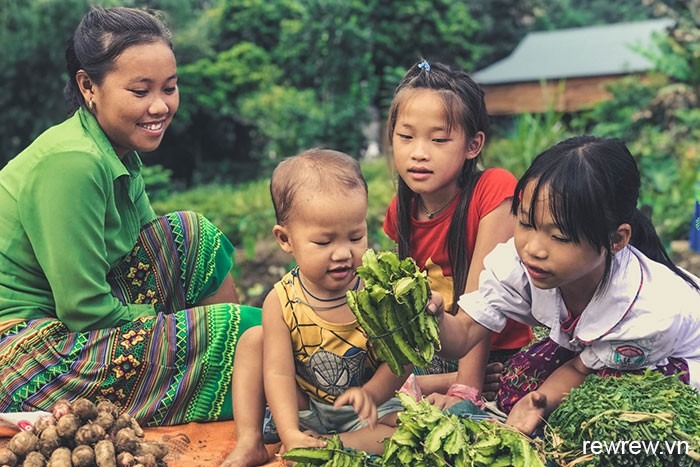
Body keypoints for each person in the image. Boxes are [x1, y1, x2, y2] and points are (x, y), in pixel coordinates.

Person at [0, 6, 260, 425]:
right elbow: (84, 310)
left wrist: (176, 324)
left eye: (169, 88)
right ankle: (253, 392)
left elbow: (147, 253)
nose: (159, 106)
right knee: (236, 327)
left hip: (72, 323)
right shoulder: (73, 164)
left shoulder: (118, 150)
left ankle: (249, 379)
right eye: (140, 92)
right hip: (24, 358)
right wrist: (176, 324)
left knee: (193, 236)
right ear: (89, 86)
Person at [428, 135, 700, 435]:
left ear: (616, 240)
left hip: (667, 354)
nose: (534, 248)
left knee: (602, 420)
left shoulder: (649, 312)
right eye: (526, 223)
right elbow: (464, 333)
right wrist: (435, 317)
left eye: (559, 237)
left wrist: (541, 405)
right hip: (594, 349)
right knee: (517, 386)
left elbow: (581, 369)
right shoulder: (518, 263)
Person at [223, 149, 408, 467]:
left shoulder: (375, 294)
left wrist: (373, 394)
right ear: (285, 239)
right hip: (306, 406)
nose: (342, 253)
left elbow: (399, 360)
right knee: (253, 340)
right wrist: (290, 430)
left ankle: (331, 445)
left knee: (400, 434)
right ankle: (252, 441)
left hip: (366, 412)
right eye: (324, 242)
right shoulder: (281, 301)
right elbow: (279, 373)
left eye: (355, 237)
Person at [383, 59, 532, 407]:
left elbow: (481, 301)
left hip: (492, 348)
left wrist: (466, 388)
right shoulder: (400, 211)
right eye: (405, 136)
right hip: (437, 346)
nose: (418, 153)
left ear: (473, 145)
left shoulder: (493, 191)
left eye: (438, 139)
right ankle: (436, 379)